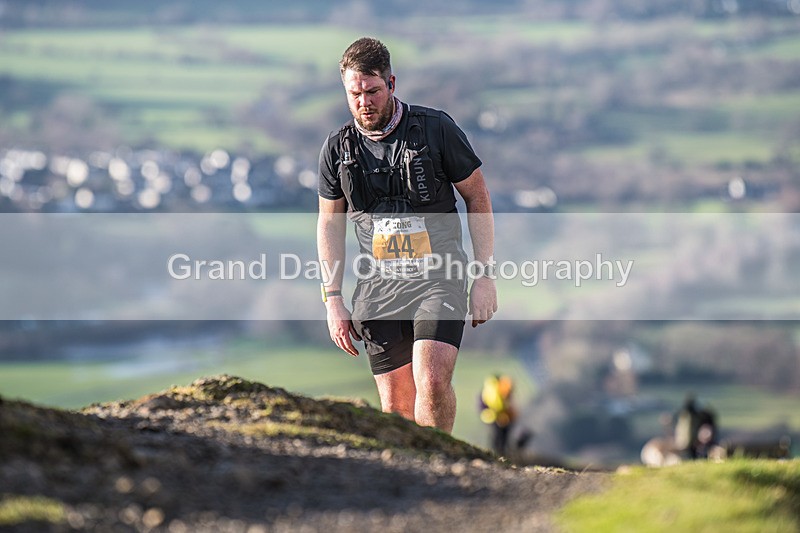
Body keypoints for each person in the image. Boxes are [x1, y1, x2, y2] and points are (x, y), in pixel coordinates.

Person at [317, 37, 497, 434]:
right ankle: (411, 485)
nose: (364, 101)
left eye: (373, 91)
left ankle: (443, 468)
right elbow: (329, 224)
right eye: (355, 93)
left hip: (440, 277)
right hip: (378, 286)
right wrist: (332, 299)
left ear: (392, 84)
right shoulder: (337, 150)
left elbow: (477, 197)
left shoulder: (437, 129)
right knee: (396, 408)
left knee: (431, 381)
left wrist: (484, 276)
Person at [478, 374, 517, 455]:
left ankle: (499, 452)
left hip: (493, 415)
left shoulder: (497, 391)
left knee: (500, 433)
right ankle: (498, 452)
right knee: (498, 434)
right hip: (491, 415)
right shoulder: (495, 396)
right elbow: (498, 408)